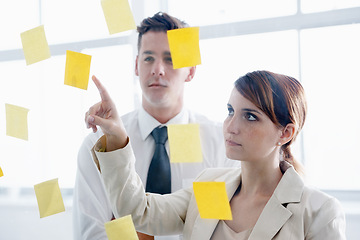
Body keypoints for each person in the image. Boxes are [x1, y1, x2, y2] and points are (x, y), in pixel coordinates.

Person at [86, 70, 346, 239]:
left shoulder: (317, 212)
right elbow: (136, 212)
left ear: (285, 133)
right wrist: (118, 136)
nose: (231, 127)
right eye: (231, 111)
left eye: (251, 117)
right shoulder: (212, 187)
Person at [73, 12, 239, 240]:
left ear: (190, 71)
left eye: (170, 59)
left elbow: (224, 231)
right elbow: (91, 234)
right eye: (148, 58)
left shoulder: (221, 143)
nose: (158, 69)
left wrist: (123, 228)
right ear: (136, 66)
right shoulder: (100, 145)